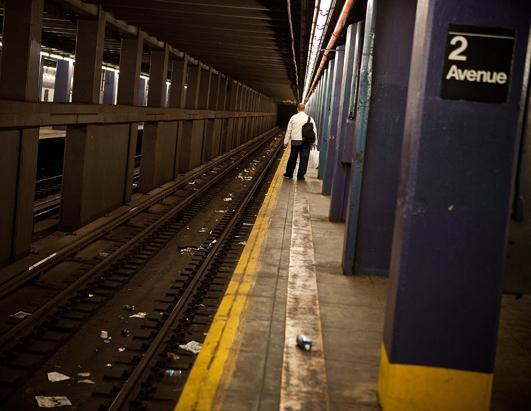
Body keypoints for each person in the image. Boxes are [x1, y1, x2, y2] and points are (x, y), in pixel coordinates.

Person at [283, 103, 317, 180]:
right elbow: (314, 131)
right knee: (304, 159)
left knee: (292, 158)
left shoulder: (293, 117)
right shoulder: (310, 118)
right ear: (304, 109)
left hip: (295, 140)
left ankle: (289, 174)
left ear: (297, 109)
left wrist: (286, 141)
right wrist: (314, 143)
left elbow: (289, 130)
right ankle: (300, 175)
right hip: (306, 141)